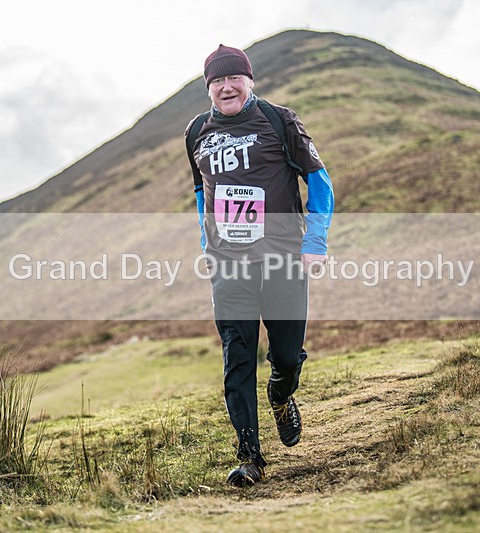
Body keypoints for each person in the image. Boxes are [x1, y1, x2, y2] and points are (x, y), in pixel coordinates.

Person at [184, 44, 334, 486]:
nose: (226, 87)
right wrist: (205, 242)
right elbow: (201, 193)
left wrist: (315, 241)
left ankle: (282, 391)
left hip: (283, 256)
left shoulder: (277, 119)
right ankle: (250, 454)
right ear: (208, 87)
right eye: (217, 81)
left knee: (286, 353)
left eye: (234, 78)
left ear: (250, 81)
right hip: (229, 264)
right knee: (238, 354)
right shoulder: (196, 132)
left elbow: (319, 181)